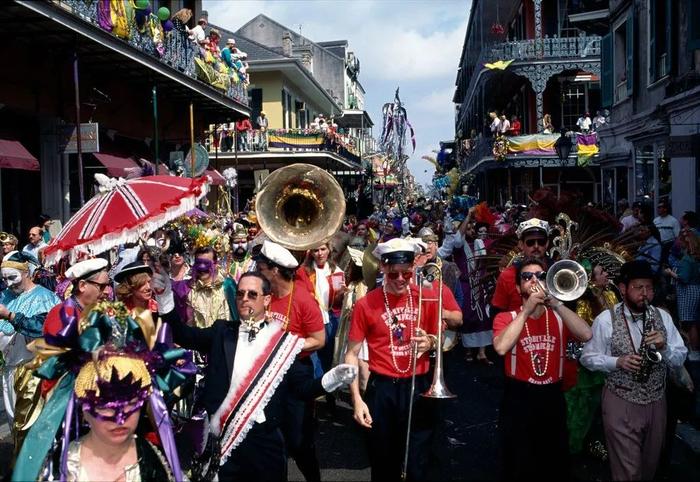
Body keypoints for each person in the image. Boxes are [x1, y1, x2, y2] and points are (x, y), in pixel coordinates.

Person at [160, 271, 356, 480]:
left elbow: (301, 389)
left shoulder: (283, 343)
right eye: (240, 294)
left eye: (252, 294)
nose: (245, 299)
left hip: (265, 441)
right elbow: (183, 334)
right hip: (223, 440)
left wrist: (332, 378)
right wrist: (164, 297)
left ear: (267, 299)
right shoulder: (221, 331)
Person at [580, 260, 687, 481]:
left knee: (648, 468)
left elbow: (679, 357)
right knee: (628, 472)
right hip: (620, 399)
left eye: (649, 288)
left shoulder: (663, 317)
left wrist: (664, 347)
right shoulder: (605, 320)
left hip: (657, 402)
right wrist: (616, 362)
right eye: (638, 287)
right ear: (622, 288)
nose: (645, 294)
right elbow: (587, 358)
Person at [345, 238, 441, 480]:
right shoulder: (366, 304)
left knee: (418, 462)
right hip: (383, 389)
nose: (400, 280)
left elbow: (440, 335)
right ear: (384, 268)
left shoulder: (424, 297)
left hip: (418, 387)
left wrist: (430, 341)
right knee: (383, 462)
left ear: (413, 270)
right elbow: (351, 354)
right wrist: (357, 400)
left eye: (406, 274)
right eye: (394, 274)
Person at [493, 257, 593, 480]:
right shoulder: (506, 317)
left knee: (553, 463)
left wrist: (556, 303)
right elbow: (501, 347)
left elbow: (586, 334)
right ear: (519, 287)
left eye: (540, 276)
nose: (534, 281)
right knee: (519, 463)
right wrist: (526, 311)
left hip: (552, 397)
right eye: (527, 277)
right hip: (519, 397)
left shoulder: (558, 316)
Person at [255, 241, 326, 482]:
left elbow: (319, 340)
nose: (257, 272)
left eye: (261, 267)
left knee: (299, 441)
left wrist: (288, 347)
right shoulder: (265, 296)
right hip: (268, 373)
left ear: (274, 270)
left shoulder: (303, 299)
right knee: (274, 439)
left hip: (296, 373)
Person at [0, 251, 60, 453]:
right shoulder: (6, 296)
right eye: (4, 279)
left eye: (12, 277)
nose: (8, 284)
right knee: (14, 422)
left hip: (32, 370)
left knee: (30, 425)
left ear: (27, 273)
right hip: (9, 370)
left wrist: (9, 315)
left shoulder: (45, 297)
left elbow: (44, 330)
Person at [565, 262, 619, 457]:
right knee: (581, 404)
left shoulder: (612, 294)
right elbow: (583, 332)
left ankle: (593, 441)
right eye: (601, 272)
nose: (606, 274)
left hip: (609, 356)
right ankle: (574, 445)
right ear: (591, 279)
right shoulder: (582, 301)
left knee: (600, 404)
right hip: (586, 359)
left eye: (605, 270)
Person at [491, 218, 551, 314]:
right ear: (521, 245)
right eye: (530, 242)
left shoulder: (557, 272)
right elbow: (497, 312)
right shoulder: (507, 275)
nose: (536, 246)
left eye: (541, 242)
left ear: (547, 244)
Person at [172, 246, 233, 328]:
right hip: (196, 339)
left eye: (206, 263)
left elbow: (237, 316)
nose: (202, 268)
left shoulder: (227, 286)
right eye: (198, 263)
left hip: (223, 338)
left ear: (215, 264)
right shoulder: (185, 288)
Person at [665, 230, 700, 361]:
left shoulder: (686, 259)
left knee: (689, 323)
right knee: (693, 322)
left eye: (679, 239)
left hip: (688, 292)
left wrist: (670, 273)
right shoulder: (694, 257)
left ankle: (694, 351)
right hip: (695, 289)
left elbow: (684, 278)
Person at [653, 200, 680, 265]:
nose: (658, 209)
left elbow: (677, 237)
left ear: (665, 209)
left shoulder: (673, 221)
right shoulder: (655, 220)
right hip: (656, 246)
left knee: (666, 264)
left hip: (668, 246)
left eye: (660, 207)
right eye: (658, 207)